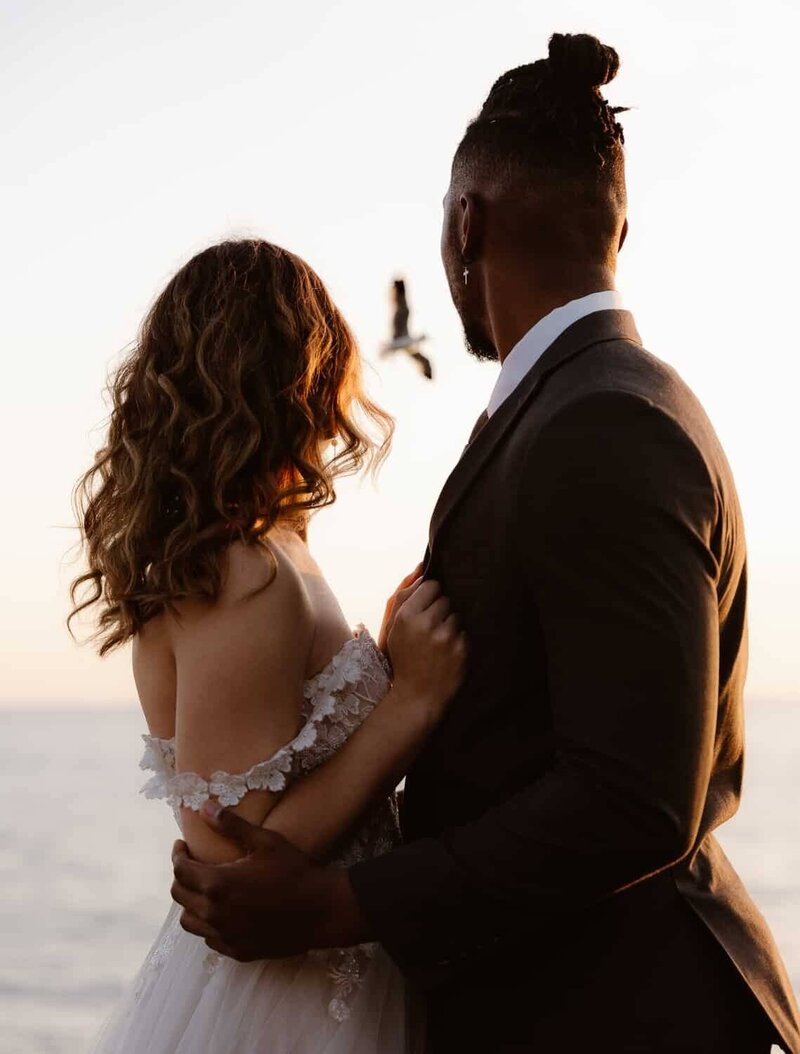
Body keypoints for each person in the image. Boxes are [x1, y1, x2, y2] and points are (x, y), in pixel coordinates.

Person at [170, 32, 800, 1054]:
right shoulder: (583, 404)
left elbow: (633, 795)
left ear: (465, 224)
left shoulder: (604, 422)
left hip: (621, 1015)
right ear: (618, 227)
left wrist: (341, 907)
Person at [69, 238, 467, 1053]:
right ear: (299, 375)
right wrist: (409, 706)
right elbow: (228, 854)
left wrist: (383, 659)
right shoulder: (242, 569)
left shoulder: (267, 548)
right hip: (285, 999)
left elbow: (297, 742)